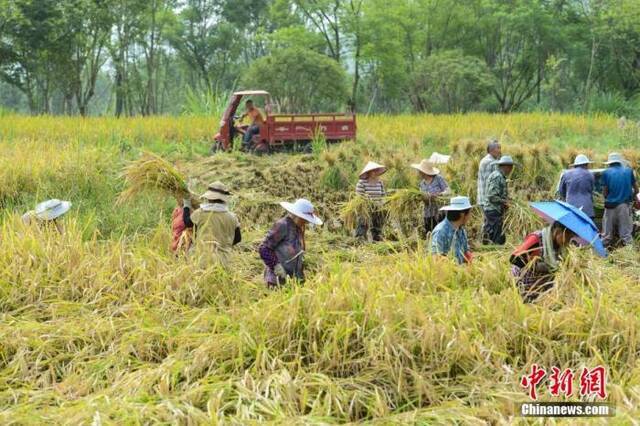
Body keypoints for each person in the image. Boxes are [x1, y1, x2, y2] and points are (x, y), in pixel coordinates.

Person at [258, 198, 323, 288]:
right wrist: (277, 266)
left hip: (294, 281)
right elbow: (264, 248)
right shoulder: (282, 225)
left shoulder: (299, 228)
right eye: (304, 219)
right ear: (297, 215)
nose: (306, 222)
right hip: (277, 281)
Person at [510, 221, 577, 303]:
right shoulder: (537, 238)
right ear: (558, 232)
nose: (567, 241)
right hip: (524, 282)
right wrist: (538, 266)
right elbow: (514, 258)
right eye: (567, 237)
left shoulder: (560, 247)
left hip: (542, 285)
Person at [188, 181, 241, 268]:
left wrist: (186, 206)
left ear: (209, 198)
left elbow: (187, 223)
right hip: (224, 261)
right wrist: (224, 244)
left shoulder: (200, 213)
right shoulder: (232, 217)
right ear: (223, 199)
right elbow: (238, 239)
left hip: (202, 260)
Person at [600, 152, 638, 247]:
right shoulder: (629, 171)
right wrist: (631, 198)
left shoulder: (606, 173)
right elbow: (636, 190)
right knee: (626, 235)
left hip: (610, 207)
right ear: (620, 161)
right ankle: (630, 256)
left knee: (606, 235)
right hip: (624, 206)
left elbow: (605, 192)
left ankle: (601, 255)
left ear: (609, 163)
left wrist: (609, 198)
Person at [430, 196, 474, 265]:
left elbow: (465, 252)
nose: (470, 216)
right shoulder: (441, 232)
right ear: (462, 214)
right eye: (469, 213)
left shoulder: (461, 230)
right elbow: (436, 259)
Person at [411, 159, 450, 235]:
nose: (418, 172)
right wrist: (423, 198)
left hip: (439, 212)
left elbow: (448, 190)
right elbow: (423, 199)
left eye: (420, 171)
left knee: (441, 234)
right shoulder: (422, 184)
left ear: (424, 172)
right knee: (430, 235)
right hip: (428, 213)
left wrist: (440, 195)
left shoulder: (438, 178)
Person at [483, 155, 514, 245]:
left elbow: (498, 193)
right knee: (497, 237)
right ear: (505, 166)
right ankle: (494, 252)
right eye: (510, 167)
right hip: (493, 210)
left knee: (498, 236)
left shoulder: (500, 176)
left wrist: (508, 199)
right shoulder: (497, 176)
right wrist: (505, 202)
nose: (511, 169)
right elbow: (492, 196)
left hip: (496, 210)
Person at [355, 161, 387, 242]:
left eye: (376, 170)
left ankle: (377, 239)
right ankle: (360, 239)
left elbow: (383, 195)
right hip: (365, 207)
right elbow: (359, 196)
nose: (375, 172)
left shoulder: (380, 182)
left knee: (377, 224)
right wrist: (368, 201)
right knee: (363, 223)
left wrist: (382, 203)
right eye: (373, 171)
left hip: (377, 207)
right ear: (368, 172)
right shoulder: (362, 182)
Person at [558, 154, 595, 219]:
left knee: (573, 227)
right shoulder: (590, 175)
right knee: (586, 227)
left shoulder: (566, 174)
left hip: (571, 208)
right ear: (586, 164)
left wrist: (566, 197)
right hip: (587, 209)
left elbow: (561, 191)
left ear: (575, 165)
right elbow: (591, 190)